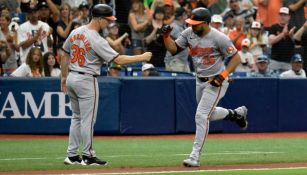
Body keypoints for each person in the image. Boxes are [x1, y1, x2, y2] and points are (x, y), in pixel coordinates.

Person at [60, 4, 152, 166]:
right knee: (87, 121)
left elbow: (64, 53)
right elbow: (118, 60)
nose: (109, 23)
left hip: (72, 77)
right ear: (100, 19)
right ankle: (88, 156)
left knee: (76, 118)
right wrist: (141, 57)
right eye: (107, 20)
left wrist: (63, 77)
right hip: (86, 79)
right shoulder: (96, 39)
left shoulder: (76, 31)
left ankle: (72, 155)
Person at [161, 7, 248, 167]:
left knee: (201, 115)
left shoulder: (219, 37)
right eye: (191, 22)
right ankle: (237, 114)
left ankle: (195, 156)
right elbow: (173, 49)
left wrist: (223, 76)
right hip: (199, 80)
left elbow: (236, 58)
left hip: (216, 80)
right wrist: (166, 37)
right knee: (209, 114)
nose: (193, 25)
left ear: (207, 23)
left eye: (196, 23)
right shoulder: (188, 33)